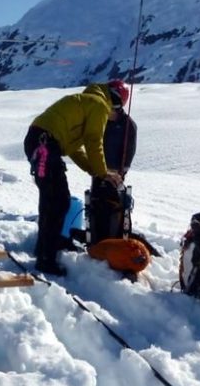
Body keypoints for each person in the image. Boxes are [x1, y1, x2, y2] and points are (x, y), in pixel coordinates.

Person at [23, 80, 130, 276]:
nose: (116, 114)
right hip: (46, 144)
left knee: (50, 199)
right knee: (59, 201)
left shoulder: (86, 102)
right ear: (115, 101)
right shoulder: (98, 105)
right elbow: (93, 141)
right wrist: (103, 172)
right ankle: (46, 259)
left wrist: (94, 170)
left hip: (39, 141)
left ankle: (44, 247)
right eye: (119, 109)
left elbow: (74, 150)